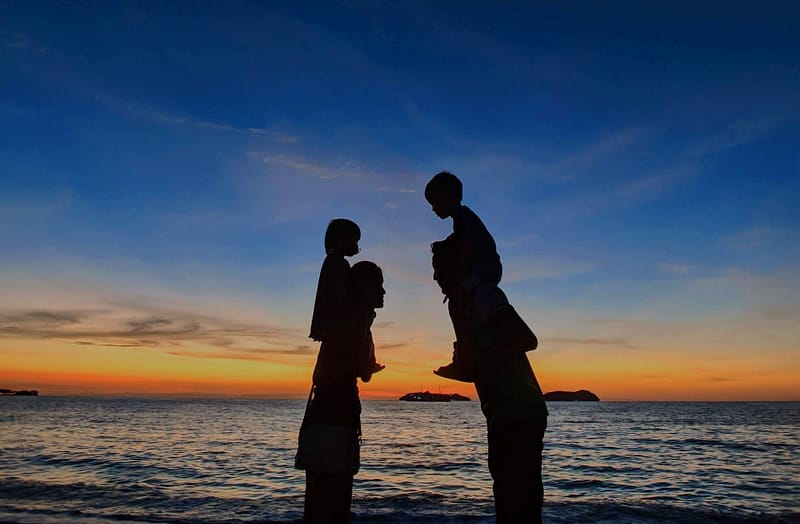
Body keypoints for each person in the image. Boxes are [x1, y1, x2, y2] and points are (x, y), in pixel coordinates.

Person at [432, 237, 548, 524]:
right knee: (507, 491)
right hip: (499, 409)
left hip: (521, 409)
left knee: (519, 495)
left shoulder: (484, 296)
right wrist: (461, 368)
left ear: (459, 265)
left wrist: (478, 356)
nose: (435, 276)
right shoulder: (459, 305)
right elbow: (480, 364)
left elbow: (525, 339)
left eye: (440, 268)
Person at [425, 172, 534, 381]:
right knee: (457, 305)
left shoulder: (464, 218)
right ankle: (467, 355)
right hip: (483, 271)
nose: (434, 208)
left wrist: (462, 281)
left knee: (457, 304)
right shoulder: (462, 220)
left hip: (484, 271)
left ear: (449, 195)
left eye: (435, 201)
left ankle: (466, 358)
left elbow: (467, 251)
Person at [301, 261, 387, 523]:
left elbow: (359, 371)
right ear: (363, 288)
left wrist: (364, 367)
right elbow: (333, 370)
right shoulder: (352, 318)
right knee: (333, 500)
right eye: (379, 286)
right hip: (334, 412)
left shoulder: (360, 320)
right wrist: (362, 366)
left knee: (323, 500)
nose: (384, 293)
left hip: (331, 411)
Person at [309, 218, 384, 381]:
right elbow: (340, 297)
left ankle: (366, 362)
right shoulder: (338, 264)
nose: (357, 246)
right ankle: (366, 363)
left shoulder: (334, 263)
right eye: (354, 240)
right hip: (339, 322)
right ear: (341, 239)